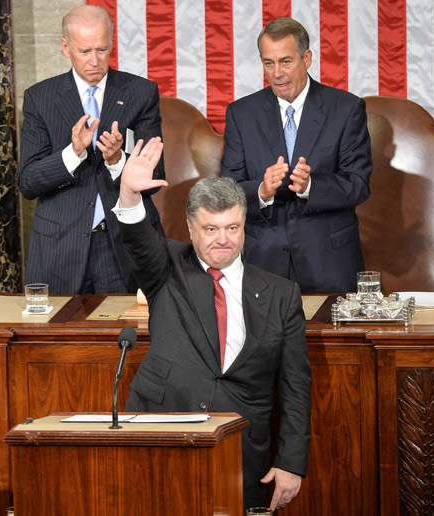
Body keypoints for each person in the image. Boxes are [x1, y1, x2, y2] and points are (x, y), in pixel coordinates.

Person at [114, 137, 312, 512]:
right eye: (210, 229)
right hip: (161, 434)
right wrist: (128, 193)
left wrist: (291, 461)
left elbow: (296, 387)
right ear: (190, 229)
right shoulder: (168, 269)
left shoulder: (282, 294)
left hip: (241, 454)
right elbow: (139, 242)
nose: (223, 240)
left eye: (233, 228)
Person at [18, 5, 164, 294]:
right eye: (85, 51)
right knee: (58, 337)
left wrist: (117, 159)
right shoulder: (40, 98)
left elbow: (154, 177)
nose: (95, 61)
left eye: (102, 49)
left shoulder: (140, 93)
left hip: (123, 245)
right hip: (60, 247)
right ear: (65, 47)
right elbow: (28, 182)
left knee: (133, 337)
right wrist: (73, 153)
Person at [221, 17, 373, 294]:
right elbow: (228, 188)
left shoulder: (346, 109)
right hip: (263, 265)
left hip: (328, 263)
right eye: (269, 63)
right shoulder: (241, 114)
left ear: (307, 58)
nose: (277, 73)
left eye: (286, 61)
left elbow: (358, 184)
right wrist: (262, 191)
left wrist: (311, 187)